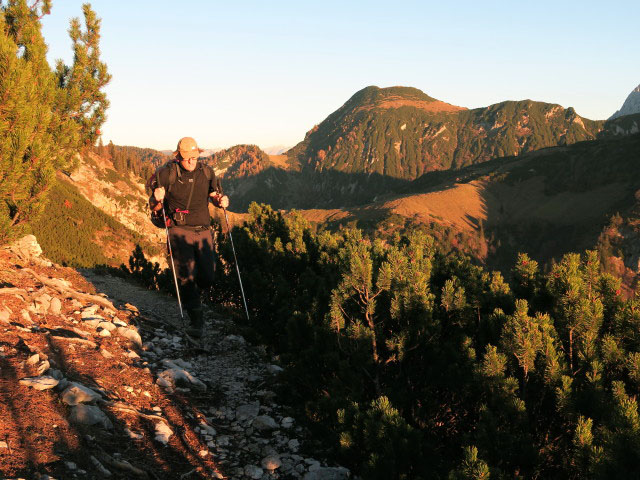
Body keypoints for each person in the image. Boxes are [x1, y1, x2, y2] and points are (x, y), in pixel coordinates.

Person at [149, 136, 229, 338]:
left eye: (194, 156)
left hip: (203, 229)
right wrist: (157, 199)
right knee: (186, 276)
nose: (191, 161)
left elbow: (214, 195)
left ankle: (194, 298)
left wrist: (221, 201)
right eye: (187, 158)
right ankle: (196, 320)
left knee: (208, 276)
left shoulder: (207, 173)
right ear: (178, 157)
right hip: (178, 229)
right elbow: (154, 205)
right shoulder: (167, 174)